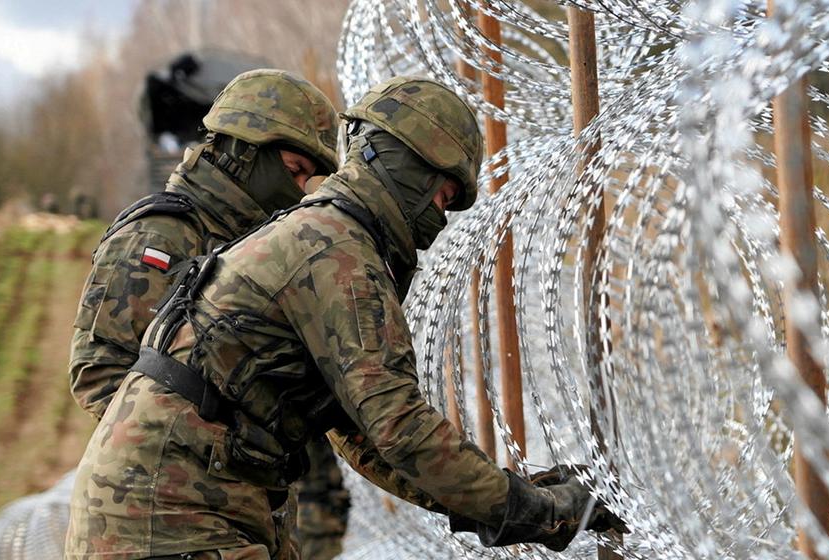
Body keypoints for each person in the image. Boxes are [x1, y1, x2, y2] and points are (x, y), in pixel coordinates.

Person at [65, 76, 625, 559]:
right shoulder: (336, 252)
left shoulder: (329, 238)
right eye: (441, 193)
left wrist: (508, 498)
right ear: (406, 169)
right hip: (175, 518)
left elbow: (370, 438)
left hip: (184, 512)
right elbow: (399, 427)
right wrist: (533, 510)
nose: (441, 218)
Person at [66, 68, 349, 559]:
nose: (301, 189)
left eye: (310, 177)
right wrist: (213, 446)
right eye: (294, 168)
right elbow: (99, 372)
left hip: (246, 509)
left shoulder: (257, 247)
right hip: (172, 523)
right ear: (246, 150)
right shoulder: (162, 237)